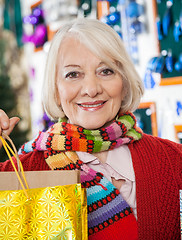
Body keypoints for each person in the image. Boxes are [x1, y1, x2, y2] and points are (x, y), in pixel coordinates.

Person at [0, 18, 182, 240]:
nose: (91, 89)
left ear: (123, 82)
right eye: (73, 74)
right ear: (56, 89)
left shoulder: (175, 161)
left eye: (105, 71)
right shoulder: (21, 175)